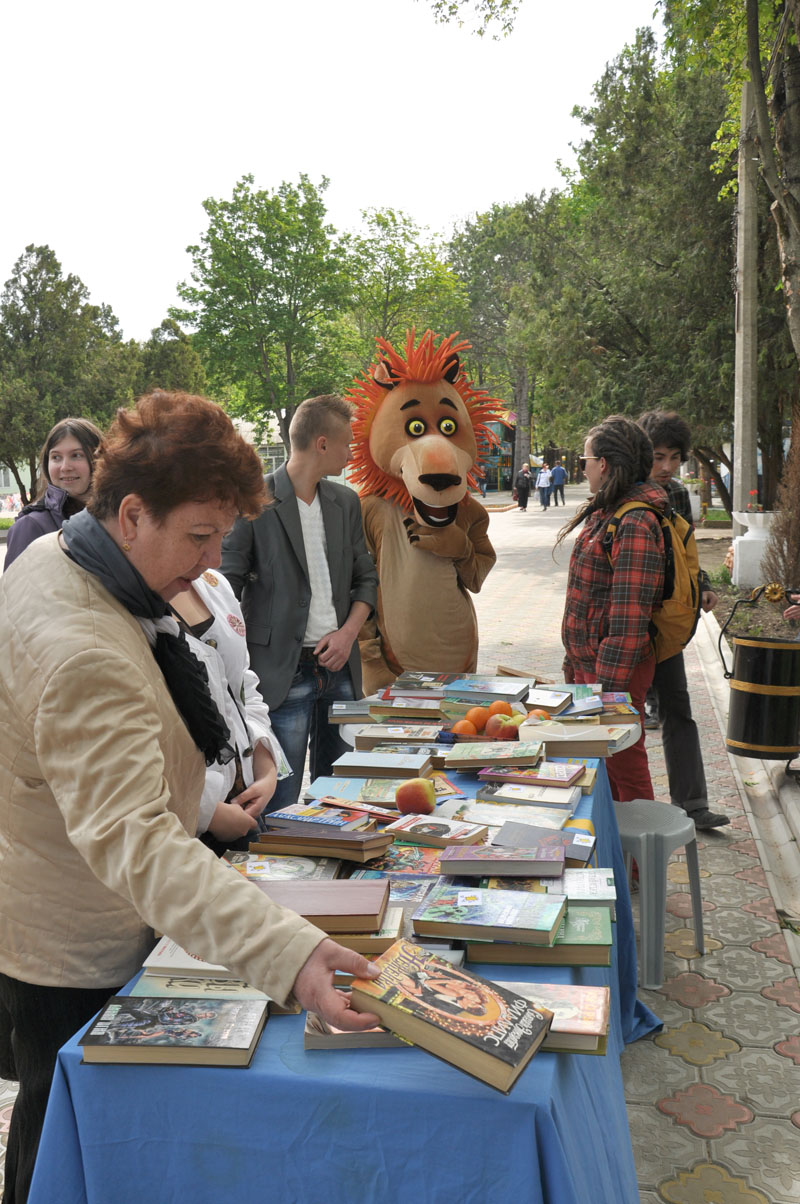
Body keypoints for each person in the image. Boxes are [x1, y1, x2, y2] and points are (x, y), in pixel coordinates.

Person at [0, 391, 379, 1204]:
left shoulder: (80, 556)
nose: (211, 561)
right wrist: (296, 953)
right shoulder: (83, 650)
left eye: (220, 536)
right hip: (73, 935)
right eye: (200, 535)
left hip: (85, 896)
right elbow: (137, 840)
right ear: (131, 513)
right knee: (60, 1129)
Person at [221, 394, 378, 813]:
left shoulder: (345, 503)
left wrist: (348, 635)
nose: (351, 453)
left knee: (344, 792)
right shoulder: (255, 502)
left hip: (341, 667)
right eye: (347, 444)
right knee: (281, 802)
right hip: (282, 675)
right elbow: (223, 586)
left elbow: (366, 579)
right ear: (322, 444)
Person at [558, 414, 667, 803]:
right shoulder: (610, 510)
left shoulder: (635, 520)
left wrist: (608, 694)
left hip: (615, 672)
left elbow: (628, 619)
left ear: (602, 464)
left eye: (584, 461)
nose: (583, 469)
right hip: (594, 669)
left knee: (625, 764)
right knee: (605, 768)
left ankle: (639, 861)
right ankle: (614, 853)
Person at [637, 410, 728, 830]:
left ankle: (693, 806)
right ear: (641, 455)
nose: (668, 468)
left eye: (674, 458)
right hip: (627, 627)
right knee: (617, 719)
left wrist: (704, 584)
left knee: (679, 708)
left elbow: (688, 555)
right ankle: (622, 814)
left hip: (668, 628)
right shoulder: (624, 494)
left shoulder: (677, 497)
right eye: (659, 457)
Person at [170, 569, 291, 852]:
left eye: (223, 534)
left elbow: (242, 683)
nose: (216, 556)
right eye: (201, 534)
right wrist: (206, 812)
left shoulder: (215, 583)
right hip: (181, 830)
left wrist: (265, 762)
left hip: (244, 809)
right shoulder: (126, 606)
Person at [4, 417, 102, 571]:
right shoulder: (30, 526)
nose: (65, 467)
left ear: (99, 459)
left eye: (76, 455)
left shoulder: (120, 518)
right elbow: (18, 593)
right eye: (56, 457)